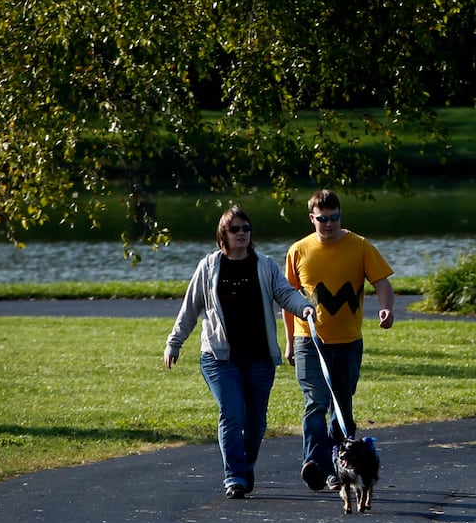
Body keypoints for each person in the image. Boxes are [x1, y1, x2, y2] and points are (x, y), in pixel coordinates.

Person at [164, 206, 315, 499]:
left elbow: (285, 293)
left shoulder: (265, 265)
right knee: (232, 412)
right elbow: (190, 308)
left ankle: (245, 466)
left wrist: (304, 306)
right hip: (219, 357)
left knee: (256, 422)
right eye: (235, 229)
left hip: (259, 357)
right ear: (224, 234)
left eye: (246, 229)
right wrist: (174, 342)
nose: (242, 234)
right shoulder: (208, 267)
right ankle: (233, 476)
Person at [283, 189, 395, 493]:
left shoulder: (359, 246)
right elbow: (288, 298)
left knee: (341, 408)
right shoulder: (299, 250)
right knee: (314, 403)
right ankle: (315, 465)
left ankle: (339, 468)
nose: (329, 224)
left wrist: (386, 307)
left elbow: (382, 282)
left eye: (334, 218)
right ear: (312, 218)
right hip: (310, 340)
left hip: (347, 341)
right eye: (323, 219)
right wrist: (291, 340)